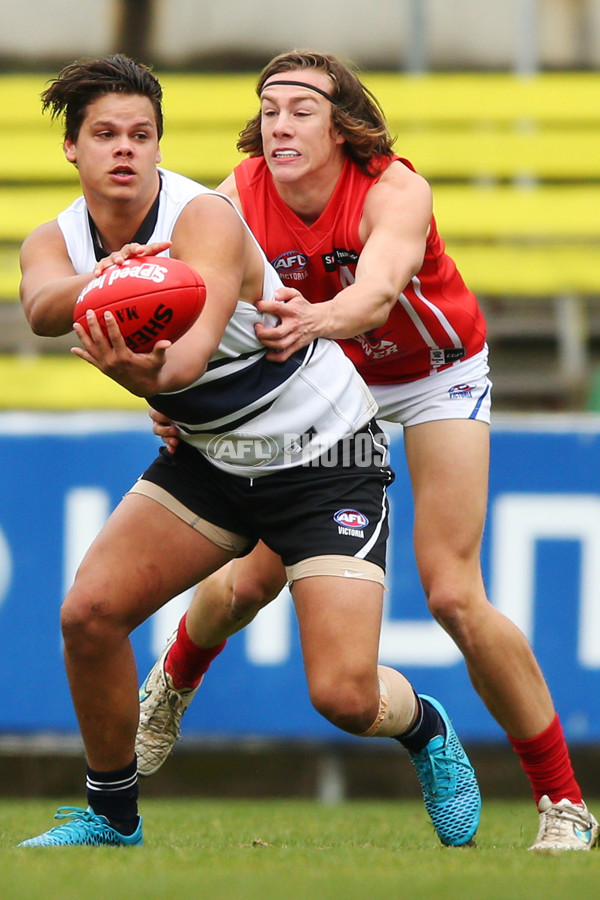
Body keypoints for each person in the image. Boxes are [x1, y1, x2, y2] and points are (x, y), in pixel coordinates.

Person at [136, 50, 598, 853]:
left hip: (434, 375)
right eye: (269, 107)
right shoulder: (234, 198)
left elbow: (379, 291)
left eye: (301, 108)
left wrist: (312, 321)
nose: (279, 122)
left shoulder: (393, 187)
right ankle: (173, 681)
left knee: (454, 593)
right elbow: (191, 306)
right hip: (324, 384)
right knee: (248, 578)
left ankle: (564, 803)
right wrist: (175, 398)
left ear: (343, 124)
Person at [17, 54, 480, 849]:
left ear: (162, 146)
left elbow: (187, 363)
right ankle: (111, 817)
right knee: (88, 615)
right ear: (73, 149)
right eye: (105, 135)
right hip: (214, 460)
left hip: (323, 455)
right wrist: (104, 281)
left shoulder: (205, 221)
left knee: (342, 694)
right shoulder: (56, 239)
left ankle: (425, 726)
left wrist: (137, 376)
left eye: (141, 134)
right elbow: (40, 307)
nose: (124, 149)